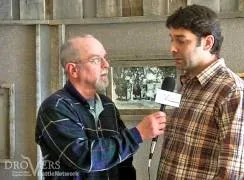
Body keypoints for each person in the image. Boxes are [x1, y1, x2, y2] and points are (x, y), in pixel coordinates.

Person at [35, 34, 166, 179]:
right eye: (96, 59)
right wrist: (138, 134)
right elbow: (84, 157)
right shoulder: (55, 107)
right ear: (73, 70)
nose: (106, 65)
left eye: (105, 58)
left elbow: (124, 161)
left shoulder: (107, 104)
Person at [157, 4, 244, 180]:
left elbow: (234, 175)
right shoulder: (185, 85)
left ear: (207, 42)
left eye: (181, 40)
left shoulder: (233, 92)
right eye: (171, 39)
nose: (172, 48)